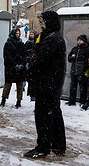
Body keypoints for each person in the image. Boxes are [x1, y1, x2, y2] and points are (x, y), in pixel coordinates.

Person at [24, 11, 66, 158]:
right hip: (52, 85)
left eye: (43, 22)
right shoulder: (55, 37)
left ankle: (43, 147)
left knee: (43, 116)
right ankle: (59, 145)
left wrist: (29, 70)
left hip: (46, 85)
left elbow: (39, 61)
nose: (41, 25)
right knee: (54, 114)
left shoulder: (51, 39)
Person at [0, 28, 26, 108]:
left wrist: (21, 64)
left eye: (18, 33)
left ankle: (19, 101)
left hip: (19, 67)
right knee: (8, 84)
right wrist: (14, 64)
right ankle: (3, 100)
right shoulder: (8, 44)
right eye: (16, 33)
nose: (17, 35)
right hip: (10, 68)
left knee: (19, 85)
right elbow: (7, 56)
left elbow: (24, 55)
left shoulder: (21, 44)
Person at [66, 35, 89, 106]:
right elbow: (69, 58)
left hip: (82, 71)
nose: (79, 41)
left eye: (80, 40)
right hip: (74, 70)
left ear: (84, 41)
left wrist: (85, 69)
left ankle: (82, 101)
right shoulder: (75, 49)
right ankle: (71, 101)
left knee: (83, 87)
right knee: (72, 87)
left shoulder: (87, 49)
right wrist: (72, 57)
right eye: (78, 40)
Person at [24, 30, 37, 101]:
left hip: (32, 62)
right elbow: (25, 51)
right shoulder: (28, 42)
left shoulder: (36, 43)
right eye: (30, 34)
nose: (31, 35)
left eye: (32, 34)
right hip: (29, 61)